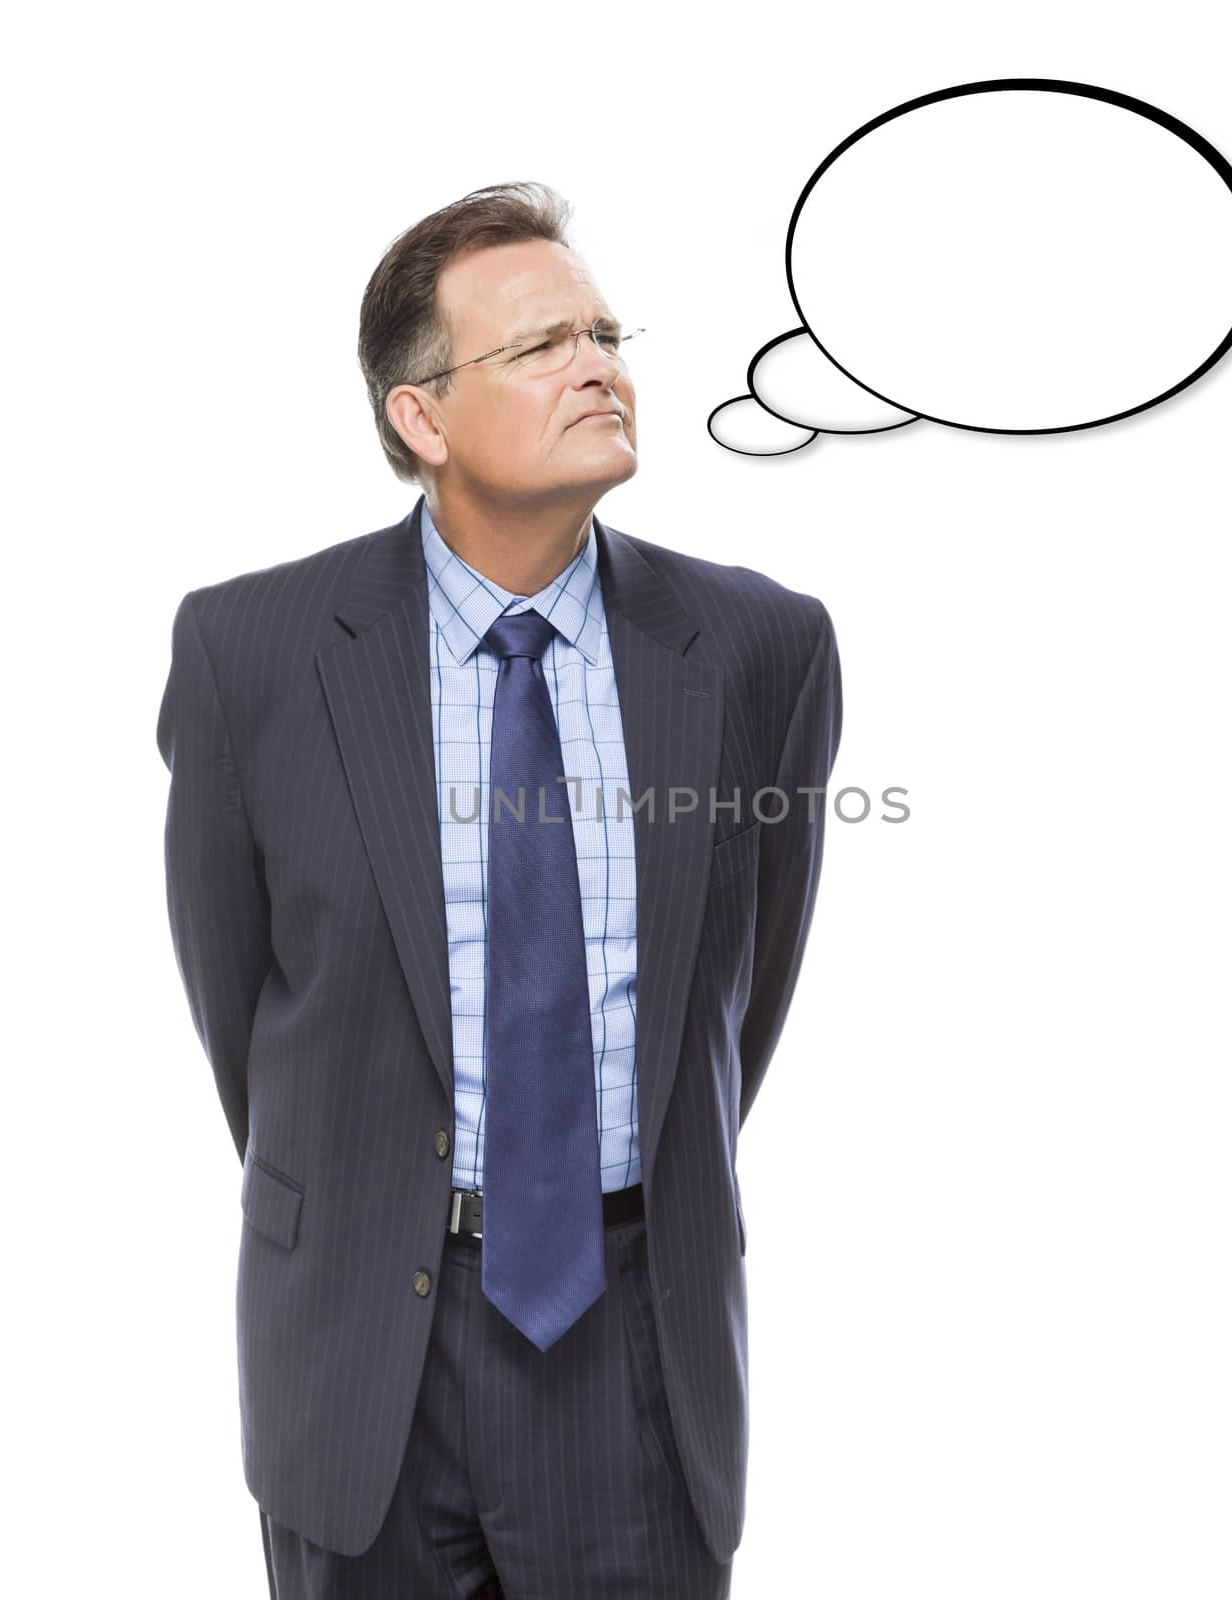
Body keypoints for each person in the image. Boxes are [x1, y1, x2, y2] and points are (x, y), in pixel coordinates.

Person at [156, 180, 842, 1599]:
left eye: (604, 332)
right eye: (540, 346)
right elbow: (249, 1011)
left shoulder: (759, 645)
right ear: (422, 417)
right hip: (358, 1345)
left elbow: (736, 1009)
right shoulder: (255, 652)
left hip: (633, 1334)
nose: (600, 365)